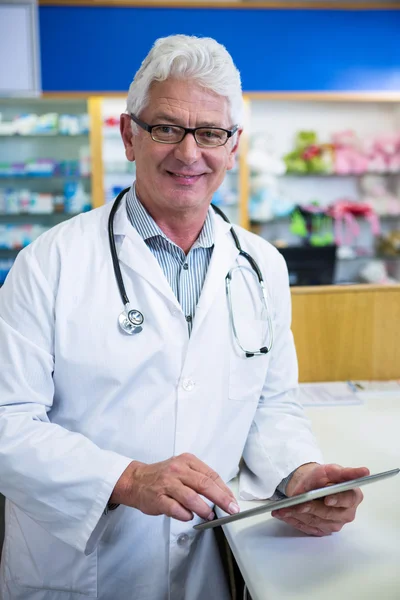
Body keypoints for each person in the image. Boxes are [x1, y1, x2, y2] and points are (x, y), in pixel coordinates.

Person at [0, 35, 368, 600]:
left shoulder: (261, 265)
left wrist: (297, 476)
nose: (189, 153)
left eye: (211, 133)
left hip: (206, 563)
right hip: (81, 572)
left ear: (234, 145)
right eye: (166, 128)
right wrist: (126, 478)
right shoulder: (48, 262)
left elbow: (271, 405)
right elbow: (8, 422)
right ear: (129, 135)